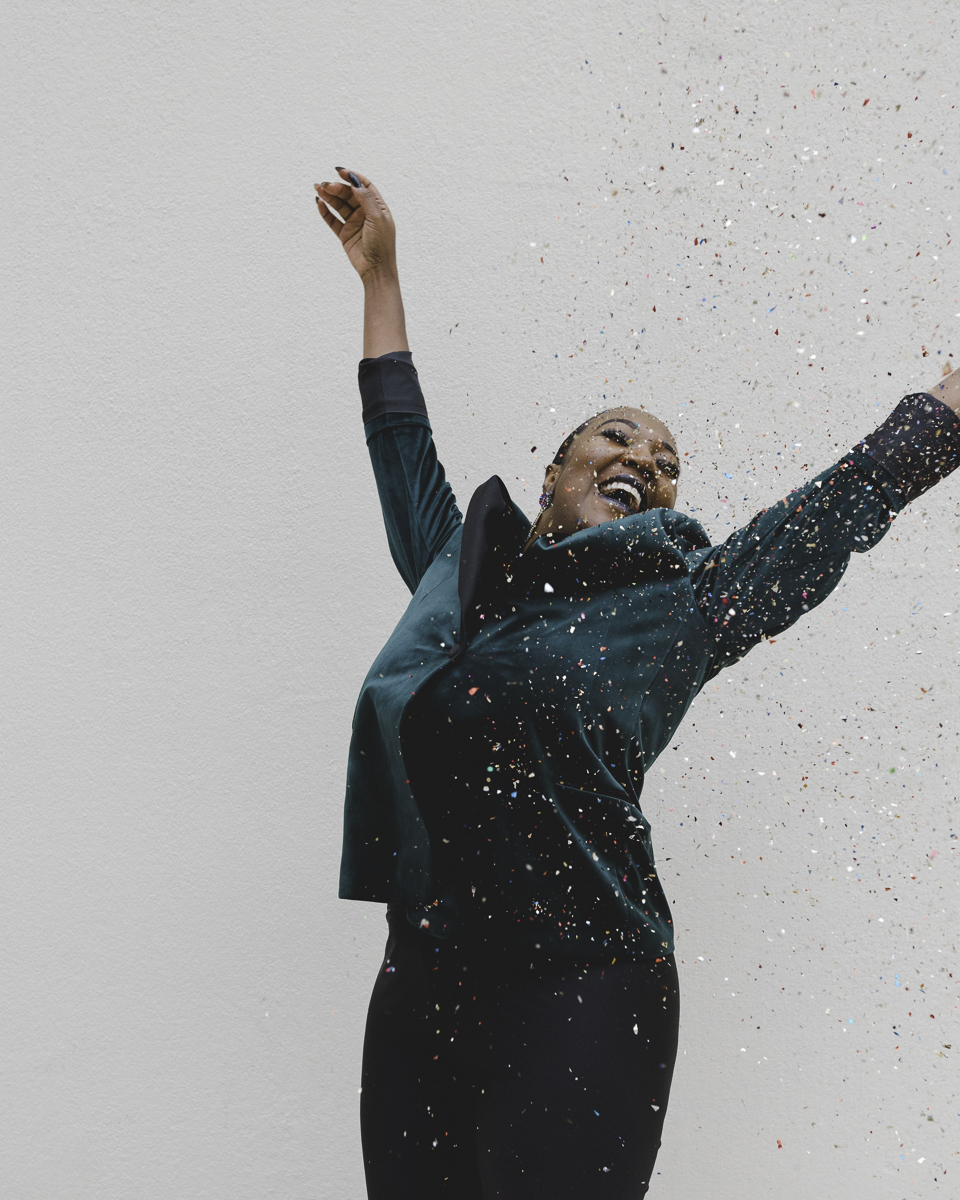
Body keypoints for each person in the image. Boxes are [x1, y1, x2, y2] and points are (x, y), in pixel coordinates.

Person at [315, 166, 960, 1199]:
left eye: (667, 463)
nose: (647, 462)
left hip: (585, 987)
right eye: (617, 436)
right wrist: (380, 277)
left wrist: (952, 400)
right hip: (423, 980)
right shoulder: (458, 577)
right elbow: (401, 448)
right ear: (554, 474)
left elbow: (841, 505)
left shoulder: (686, 606)